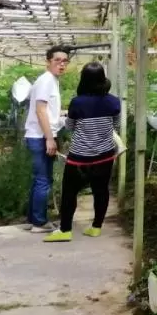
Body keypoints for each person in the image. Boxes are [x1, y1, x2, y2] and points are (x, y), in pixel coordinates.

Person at [44, 62, 121, 242]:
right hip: (105, 156)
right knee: (101, 191)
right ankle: (96, 227)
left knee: (70, 192)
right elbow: (116, 125)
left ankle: (65, 230)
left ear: (83, 80)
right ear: (103, 79)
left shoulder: (77, 102)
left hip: (80, 158)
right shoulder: (114, 101)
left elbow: (70, 126)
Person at [24, 44, 69, 232]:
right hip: (41, 137)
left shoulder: (51, 80)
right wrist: (49, 139)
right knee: (44, 180)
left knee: (38, 180)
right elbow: (40, 110)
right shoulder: (46, 81)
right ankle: (39, 223)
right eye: (57, 60)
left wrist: (61, 115)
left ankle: (33, 219)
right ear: (48, 62)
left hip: (39, 135)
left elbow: (46, 110)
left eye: (65, 61)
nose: (62, 64)